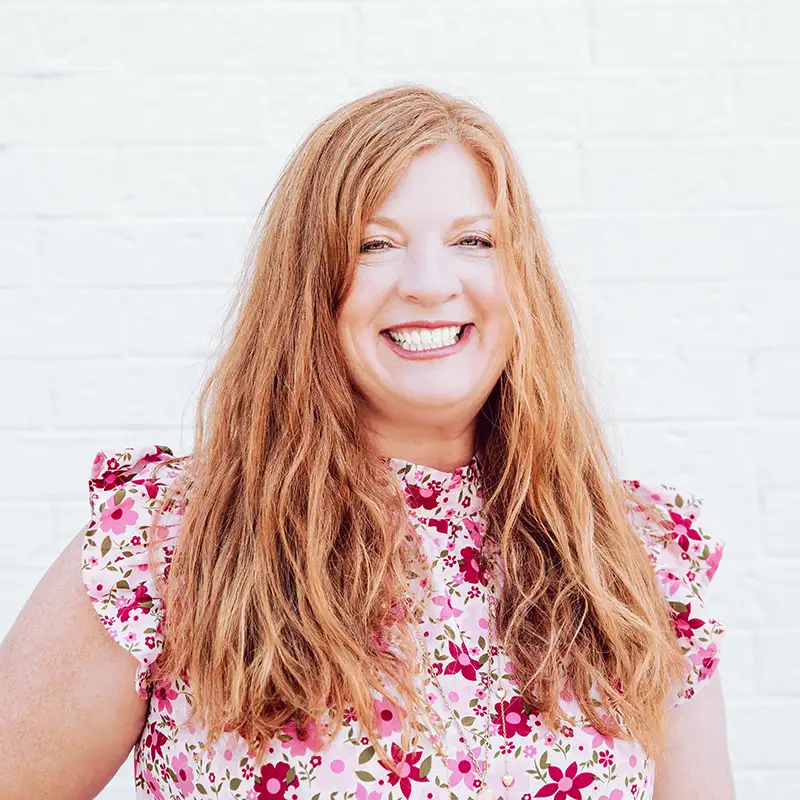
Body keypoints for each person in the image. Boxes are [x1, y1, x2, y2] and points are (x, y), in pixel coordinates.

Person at [0, 85, 734, 800]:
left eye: (473, 240)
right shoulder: (168, 546)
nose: (427, 283)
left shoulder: (640, 564)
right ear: (311, 287)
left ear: (522, 280)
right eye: (375, 244)